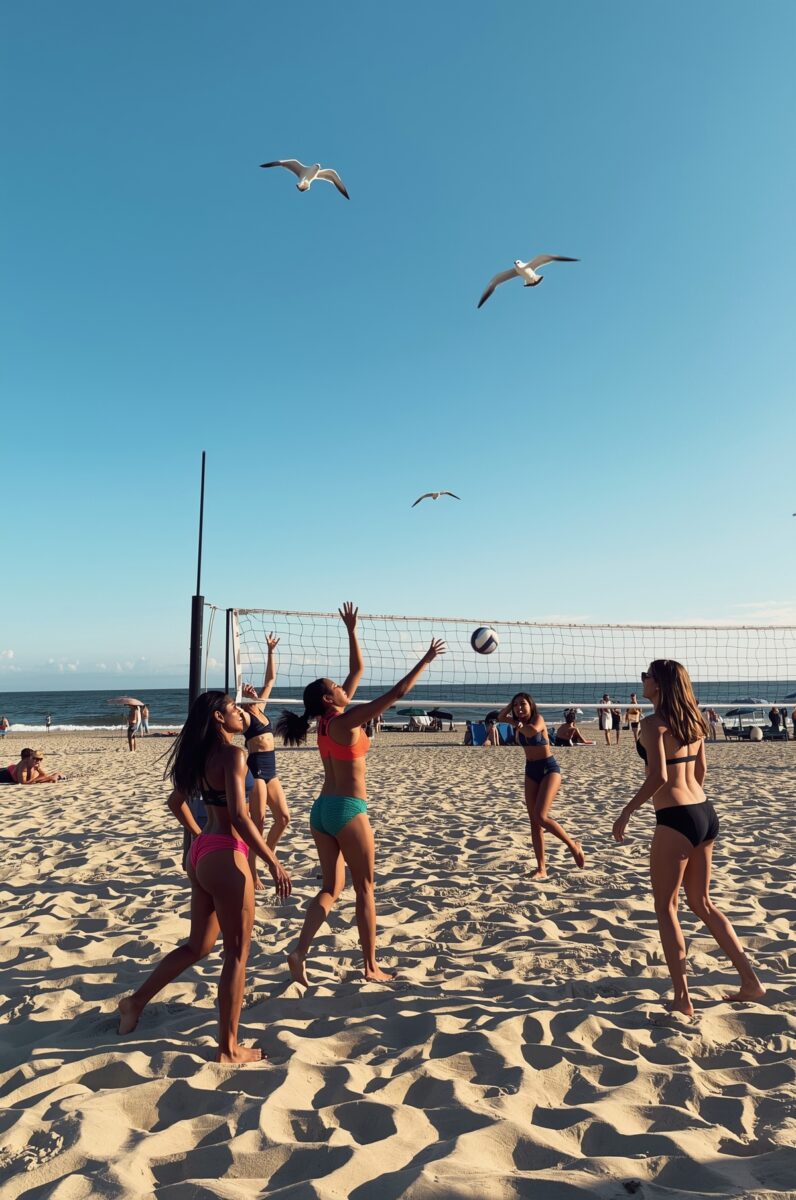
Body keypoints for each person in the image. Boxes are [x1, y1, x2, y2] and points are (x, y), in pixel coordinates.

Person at [276, 602, 445, 986]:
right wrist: (425, 660)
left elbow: (358, 671)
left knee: (330, 889)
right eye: (336, 686)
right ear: (328, 699)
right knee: (365, 888)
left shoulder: (324, 722)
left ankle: (299, 951)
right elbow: (396, 692)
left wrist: (351, 630)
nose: (342, 686)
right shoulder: (346, 720)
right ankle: (371, 966)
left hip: (321, 811)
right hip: (348, 810)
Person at [118, 691, 291, 1063]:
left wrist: (199, 836)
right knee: (237, 954)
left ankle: (134, 1002)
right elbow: (241, 817)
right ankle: (228, 1049)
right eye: (233, 709)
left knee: (199, 947)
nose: (241, 713)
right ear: (217, 717)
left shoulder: (197, 755)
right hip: (227, 853)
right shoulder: (233, 754)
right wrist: (273, 861)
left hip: (202, 853)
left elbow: (175, 803)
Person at [612, 659, 764, 1017]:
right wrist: (692, 809)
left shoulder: (652, 725)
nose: (642, 680)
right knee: (703, 902)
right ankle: (750, 981)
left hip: (676, 818)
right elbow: (701, 770)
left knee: (667, 908)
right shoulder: (693, 719)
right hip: (704, 812)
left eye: (646, 676)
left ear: (660, 684)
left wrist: (628, 811)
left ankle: (682, 999)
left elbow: (658, 778)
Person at [496, 693, 585, 879]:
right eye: (516, 705)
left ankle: (573, 845)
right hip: (531, 770)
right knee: (534, 822)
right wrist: (512, 708)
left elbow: (531, 732)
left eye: (523, 704)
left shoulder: (538, 719)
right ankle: (541, 869)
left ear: (531, 705)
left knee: (541, 816)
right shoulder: (516, 721)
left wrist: (517, 723)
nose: (519, 708)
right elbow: (499, 717)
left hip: (548, 768)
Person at [239, 633, 290, 892]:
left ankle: (268, 855)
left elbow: (270, 678)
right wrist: (243, 698)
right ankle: (252, 871)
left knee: (283, 818)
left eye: (253, 691)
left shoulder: (261, 707)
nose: (254, 692)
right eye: (249, 693)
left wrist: (270, 650)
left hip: (272, 769)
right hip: (256, 770)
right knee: (257, 823)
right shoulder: (245, 716)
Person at [0, 748, 64, 784]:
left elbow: (44, 775)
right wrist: (50, 778)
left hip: (11, 769)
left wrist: (49, 777)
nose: (38, 761)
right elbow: (23, 783)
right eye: (35, 759)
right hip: (7, 774)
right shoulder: (23, 767)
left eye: (40, 759)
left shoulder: (35, 764)